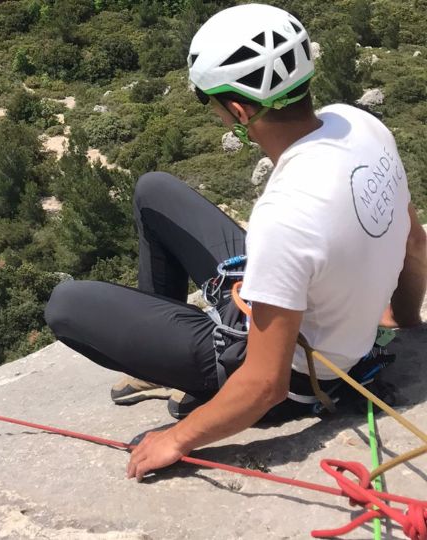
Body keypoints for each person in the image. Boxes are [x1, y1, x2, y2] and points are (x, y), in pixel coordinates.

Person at [44, 3, 426, 482]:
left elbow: (265, 384)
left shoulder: (285, 213)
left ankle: (181, 365)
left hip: (298, 379)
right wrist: (405, 322)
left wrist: (177, 439)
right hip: (329, 326)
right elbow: (414, 242)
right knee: (154, 190)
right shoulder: (362, 125)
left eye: (214, 104)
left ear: (240, 110)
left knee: (66, 304)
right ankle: (161, 357)